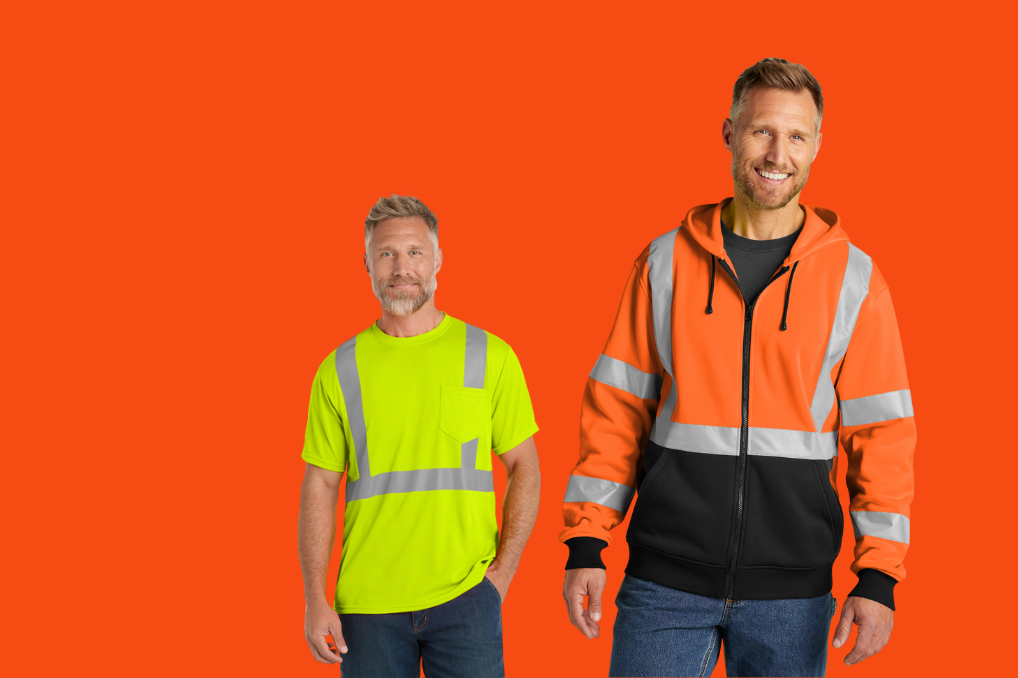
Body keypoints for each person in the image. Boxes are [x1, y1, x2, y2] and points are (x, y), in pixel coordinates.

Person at [559, 58, 915, 677]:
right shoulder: (663, 262)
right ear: (728, 132)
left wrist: (879, 574)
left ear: (817, 146)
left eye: (797, 136)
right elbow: (616, 409)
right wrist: (587, 541)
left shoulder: (856, 281)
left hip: (794, 596)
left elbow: (881, 435)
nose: (779, 152)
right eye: (761, 131)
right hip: (663, 582)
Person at [298, 195, 541, 678]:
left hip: (466, 599)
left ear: (437, 260)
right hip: (368, 608)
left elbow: (525, 466)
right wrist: (314, 598)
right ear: (366, 263)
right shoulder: (339, 370)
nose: (401, 266)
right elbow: (319, 486)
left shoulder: (489, 355)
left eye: (414, 251)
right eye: (386, 253)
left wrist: (501, 576)